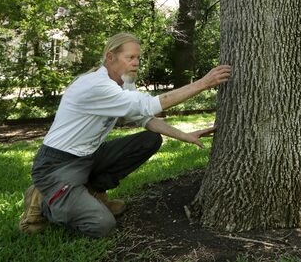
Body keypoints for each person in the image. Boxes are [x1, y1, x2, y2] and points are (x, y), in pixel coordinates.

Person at [18, 32, 231, 237]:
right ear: (110, 57)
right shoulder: (95, 85)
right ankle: (42, 200)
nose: (137, 62)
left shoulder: (123, 82)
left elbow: (144, 118)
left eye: (138, 57)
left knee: (149, 140)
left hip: (89, 156)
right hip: (57, 165)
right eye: (130, 57)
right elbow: (150, 105)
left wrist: (186, 135)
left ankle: (93, 191)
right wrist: (204, 83)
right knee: (102, 225)